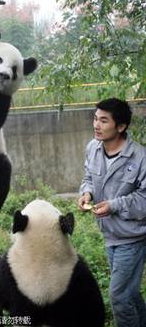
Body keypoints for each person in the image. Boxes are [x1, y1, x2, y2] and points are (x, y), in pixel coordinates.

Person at [78, 98, 146, 327]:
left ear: (121, 126)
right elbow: (88, 177)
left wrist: (113, 205)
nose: (96, 125)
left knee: (119, 296)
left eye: (104, 120)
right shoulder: (93, 148)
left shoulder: (140, 157)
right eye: (95, 119)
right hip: (110, 235)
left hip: (133, 236)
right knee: (130, 293)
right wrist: (86, 193)